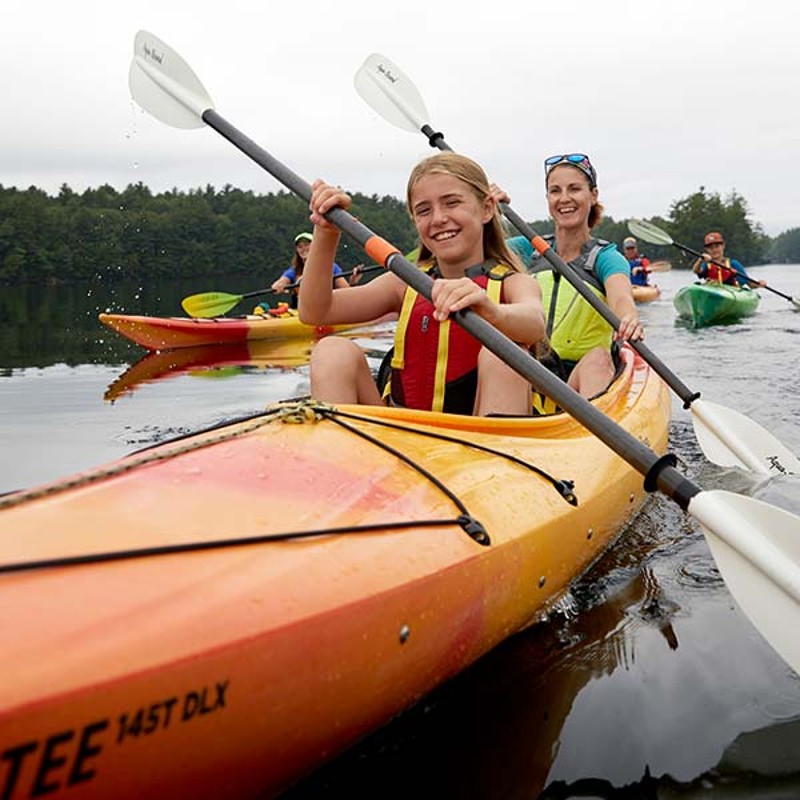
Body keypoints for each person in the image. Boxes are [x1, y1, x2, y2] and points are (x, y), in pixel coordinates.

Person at [299, 152, 547, 416]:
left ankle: (498, 455)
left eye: (452, 203)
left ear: (487, 209)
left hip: (482, 442)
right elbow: (316, 311)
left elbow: (534, 323)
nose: (438, 218)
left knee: (505, 355)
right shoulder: (403, 285)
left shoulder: (513, 283)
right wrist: (326, 233)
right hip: (404, 438)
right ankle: (340, 453)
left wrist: (491, 310)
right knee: (332, 351)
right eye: (424, 210)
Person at [501, 153, 643, 399]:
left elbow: (621, 299)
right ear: (547, 199)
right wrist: (487, 207)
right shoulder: (527, 250)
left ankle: (593, 432)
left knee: (599, 358)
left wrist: (628, 317)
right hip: (532, 372)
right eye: (555, 191)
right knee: (505, 351)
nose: (564, 198)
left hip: (582, 377)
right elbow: (477, 247)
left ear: (593, 195)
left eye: (574, 189)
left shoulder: (605, 258)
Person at [264, 232, 360, 311]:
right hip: (299, 311)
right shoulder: (294, 271)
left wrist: (352, 282)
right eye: (300, 247)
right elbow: (280, 283)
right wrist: (278, 286)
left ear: (315, 247)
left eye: (307, 245)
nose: (303, 249)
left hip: (325, 310)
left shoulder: (331, 268)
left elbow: (346, 291)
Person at [691, 232, 766, 288]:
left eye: (717, 246)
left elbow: (749, 284)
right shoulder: (706, 265)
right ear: (706, 249)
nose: (714, 250)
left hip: (731, 293)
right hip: (713, 292)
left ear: (723, 246)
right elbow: (696, 271)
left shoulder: (733, 264)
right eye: (710, 248)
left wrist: (759, 284)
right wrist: (700, 260)